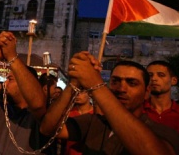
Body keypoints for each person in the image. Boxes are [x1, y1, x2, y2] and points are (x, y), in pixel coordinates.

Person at [40, 52, 179, 154]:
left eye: (132, 83)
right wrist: (75, 83)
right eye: (115, 81)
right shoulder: (95, 123)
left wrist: (96, 84)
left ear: (147, 91)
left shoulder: (162, 131)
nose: (121, 89)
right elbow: (48, 128)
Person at [0, 31, 47, 154]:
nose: (4, 83)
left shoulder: (39, 117)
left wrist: (12, 57)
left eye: (10, 79)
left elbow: (38, 104)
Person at [144, 60, 179, 132]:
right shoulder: (138, 110)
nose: (153, 79)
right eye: (150, 75)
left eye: (161, 75)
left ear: (174, 80)